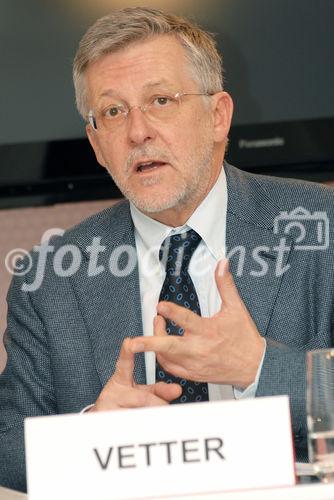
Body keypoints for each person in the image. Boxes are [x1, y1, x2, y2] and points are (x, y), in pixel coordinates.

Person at [0, 6, 333, 493]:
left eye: (160, 100)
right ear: (96, 144)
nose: (138, 132)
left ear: (218, 116)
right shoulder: (48, 280)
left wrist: (259, 367)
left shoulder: (322, 223)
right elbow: (8, 445)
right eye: (114, 111)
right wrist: (89, 433)